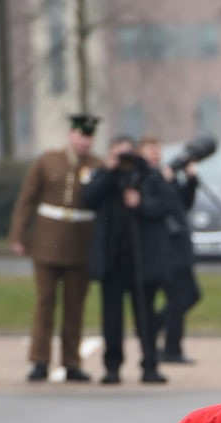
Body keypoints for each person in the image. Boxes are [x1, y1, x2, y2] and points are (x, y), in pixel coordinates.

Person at [7, 113, 103, 383]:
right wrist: (17, 235)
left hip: (81, 243)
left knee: (75, 307)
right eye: (81, 136)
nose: (85, 142)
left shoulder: (97, 165)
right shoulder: (48, 160)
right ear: (71, 135)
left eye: (89, 137)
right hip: (47, 241)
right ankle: (39, 361)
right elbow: (27, 200)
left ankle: (72, 362)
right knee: (45, 303)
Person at [81, 135, 169, 385]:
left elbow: (165, 204)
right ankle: (112, 367)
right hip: (112, 260)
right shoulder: (104, 176)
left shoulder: (148, 176)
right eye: (118, 156)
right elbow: (88, 199)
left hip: (141, 260)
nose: (124, 161)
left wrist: (141, 202)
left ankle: (150, 364)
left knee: (145, 316)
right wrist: (110, 172)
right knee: (111, 318)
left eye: (127, 155)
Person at [139, 135, 202, 364]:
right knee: (177, 297)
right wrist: (164, 182)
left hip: (179, 245)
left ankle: (154, 327)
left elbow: (182, 205)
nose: (155, 153)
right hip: (162, 248)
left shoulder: (166, 174)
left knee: (191, 295)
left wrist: (191, 179)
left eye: (157, 149)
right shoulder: (145, 177)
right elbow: (151, 208)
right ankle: (170, 347)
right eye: (150, 149)